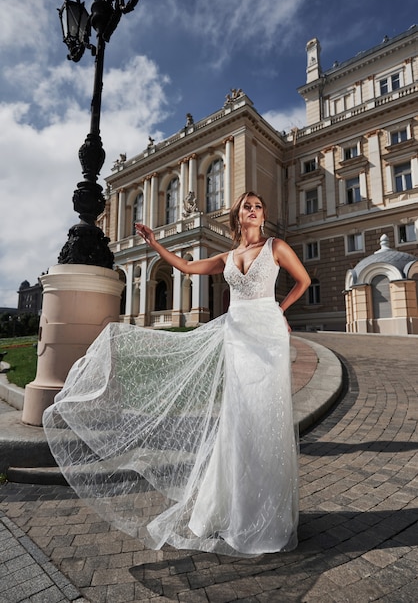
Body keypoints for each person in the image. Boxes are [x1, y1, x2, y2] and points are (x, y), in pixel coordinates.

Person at [43, 191, 310, 558]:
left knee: (266, 417)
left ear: (263, 216)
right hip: (237, 336)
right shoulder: (227, 257)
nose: (252, 210)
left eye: (258, 206)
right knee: (239, 417)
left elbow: (303, 281)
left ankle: (268, 514)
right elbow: (186, 269)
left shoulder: (276, 246)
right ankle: (234, 507)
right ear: (237, 216)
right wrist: (154, 244)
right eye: (246, 206)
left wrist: (281, 310)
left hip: (268, 334)